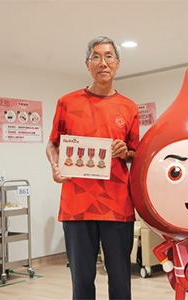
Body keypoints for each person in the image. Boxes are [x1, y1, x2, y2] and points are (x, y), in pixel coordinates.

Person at [45, 36, 139, 300]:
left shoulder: (129, 107)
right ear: (87, 64)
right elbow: (52, 145)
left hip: (117, 205)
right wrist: (55, 167)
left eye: (109, 56)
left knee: (120, 277)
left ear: (118, 63)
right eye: (96, 57)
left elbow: (136, 154)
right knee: (82, 278)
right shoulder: (67, 102)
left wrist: (126, 152)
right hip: (76, 205)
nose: (103, 62)